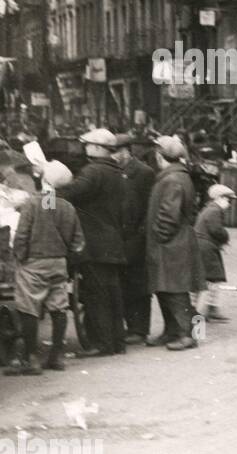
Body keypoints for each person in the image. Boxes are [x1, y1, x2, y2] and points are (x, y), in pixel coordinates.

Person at [6, 160, 84, 375]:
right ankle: (56, 356)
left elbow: (22, 235)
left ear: (45, 179)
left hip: (34, 263)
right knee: (58, 307)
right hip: (59, 263)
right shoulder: (68, 207)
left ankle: (31, 358)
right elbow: (78, 241)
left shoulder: (34, 204)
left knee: (28, 308)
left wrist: (20, 258)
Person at [61, 127, 128, 357]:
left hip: (94, 243)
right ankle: (118, 342)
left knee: (96, 294)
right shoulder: (116, 171)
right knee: (113, 293)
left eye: (88, 144)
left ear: (98, 148)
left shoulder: (93, 171)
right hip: (112, 241)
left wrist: (46, 193)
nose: (85, 148)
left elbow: (70, 193)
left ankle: (102, 344)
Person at [145, 135, 206, 351]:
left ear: (162, 156)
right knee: (165, 289)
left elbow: (169, 216)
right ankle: (172, 331)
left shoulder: (172, 180)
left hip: (171, 244)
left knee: (175, 291)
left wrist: (160, 236)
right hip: (172, 242)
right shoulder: (177, 176)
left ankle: (187, 334)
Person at [113, 133, 156, 344]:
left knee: (138, 285)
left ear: (126, 151)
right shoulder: (114, 171)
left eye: (115, 151)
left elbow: (149, 207)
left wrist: (141, 234)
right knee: (124, 283)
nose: (112, 156)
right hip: (119, 236)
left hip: (137, 237)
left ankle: (139, 329)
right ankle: (129, 326)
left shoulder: (144, 172)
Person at [194, 184, 236, 323]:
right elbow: (216, 230)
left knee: (210, 280)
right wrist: (225, 236)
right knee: (209, 282)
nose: (230, 204)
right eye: (228, 200)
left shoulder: (209, 209)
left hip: (204, 247)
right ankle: (201, 320)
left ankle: (209, 311)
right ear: (219, 198)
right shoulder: (214, 210)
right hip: (206, 249)